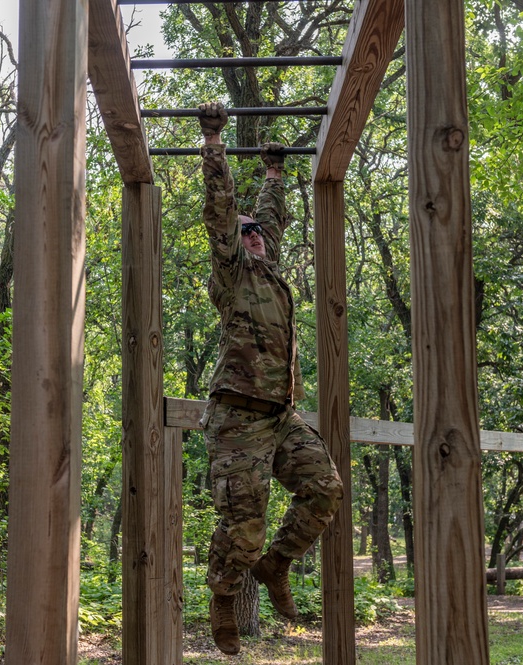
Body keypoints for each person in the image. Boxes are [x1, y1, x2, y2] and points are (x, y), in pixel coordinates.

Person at [196, 101, 344, 655]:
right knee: (243, 526)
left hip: (280, 417)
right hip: (237, 420)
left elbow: (270, 216)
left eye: (258, 231)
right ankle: (223, 598)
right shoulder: (233, 275)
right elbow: (222, 209)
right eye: (247, 231)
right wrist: (214, 141)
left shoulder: (271, 266)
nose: (255, 234)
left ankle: (276, 564)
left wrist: (275, 174)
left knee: (325, 490)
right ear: (234, 243)